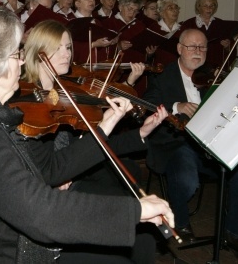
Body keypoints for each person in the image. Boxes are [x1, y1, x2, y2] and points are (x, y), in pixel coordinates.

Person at [0, 4, 173, 263]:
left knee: (136, 242)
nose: (23, 60)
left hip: (19, 235)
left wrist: (105, 124)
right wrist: (134, 211)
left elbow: (46, 172)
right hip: (13, 252)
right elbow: (42, 214)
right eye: (16, 54)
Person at [20, 19, 165, 263]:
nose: (67, 54)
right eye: (59, 48)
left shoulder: (65, 91)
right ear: (39, 51)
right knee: (135, 227)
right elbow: (31, 164)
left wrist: (141, 133)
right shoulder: (27, 99)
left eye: (68, 47)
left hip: (71, 177)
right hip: (48, 196)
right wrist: (55, 179)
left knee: (143, 228)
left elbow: (92, 145)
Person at [143, 28, 238, 261]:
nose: (198, 52)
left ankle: (234, 233)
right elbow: (146, 103)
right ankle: (181, 224)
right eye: (192, 47)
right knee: (186, 178)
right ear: (179, 49)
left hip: (211, 143)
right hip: (176, 144)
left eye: (202, 47)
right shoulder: (163, 75)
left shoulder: (212, 77)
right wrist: (176, 106)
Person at [180, 0, 234, 69]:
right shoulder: (188, 24)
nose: (209, 8)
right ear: (199, 7)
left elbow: (232, 49)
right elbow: (182, 48)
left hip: (217, 68)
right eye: (205, 6)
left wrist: (227, 46)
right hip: (195, 67)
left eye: (212, 5)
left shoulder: (222, 25)